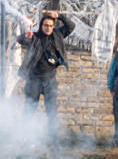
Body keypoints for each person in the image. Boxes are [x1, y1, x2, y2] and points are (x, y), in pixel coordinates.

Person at [16, 11, 75, 143]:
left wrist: (59, 16)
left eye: (50, 25)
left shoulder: (58, 35)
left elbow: (71, 26)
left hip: (50, 80)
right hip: (34, 80)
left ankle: (53, 140)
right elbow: (20, 40)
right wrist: (26, 36)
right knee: (29, 109)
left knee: (52, 111)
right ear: (41, 26)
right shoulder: (34, 36)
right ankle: (24, 138)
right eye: (45, 25)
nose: (48, 28)